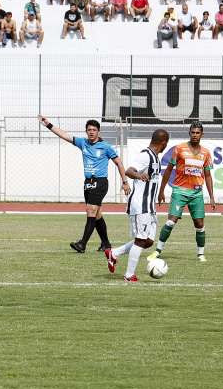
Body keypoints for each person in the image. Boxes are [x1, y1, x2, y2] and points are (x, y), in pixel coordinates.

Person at [39, 116, 129, 253]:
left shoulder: (106, 147)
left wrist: (125, 182)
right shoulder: (83, 143)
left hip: (100, 182)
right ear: (86, 131)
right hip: (88, 183)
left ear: (98, 131)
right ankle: (106, 244)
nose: (91, 132)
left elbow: (119, 163)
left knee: (91, 211)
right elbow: (64, 135)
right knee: (97, 214)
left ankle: (82, 244)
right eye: (89, 130)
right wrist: (48, 124)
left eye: (94, 130)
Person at [105, 129, 170, 282]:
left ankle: (114, 253)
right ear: (163, 143)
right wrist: (139, 175)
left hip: (149, 206)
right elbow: (129, 171)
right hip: (140, 205)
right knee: (140, 240)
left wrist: (159, 192)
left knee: (148, 241)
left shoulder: (155, 157)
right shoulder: (145, 155)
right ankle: (129, 275)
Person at [153, 122, 215, 263]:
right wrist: (161, 191)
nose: (195, 135)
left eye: (197, 133)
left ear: (202, 134)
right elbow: (169, 170)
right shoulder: (179, 149)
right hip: (179, 191)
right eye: (193, 132)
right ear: (189, 133)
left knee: (199, 224)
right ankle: (157, 250)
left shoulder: (206, 153)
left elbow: (208, 175)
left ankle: (200, 254)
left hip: (197, 193)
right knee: (171, 221)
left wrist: (211, 196)